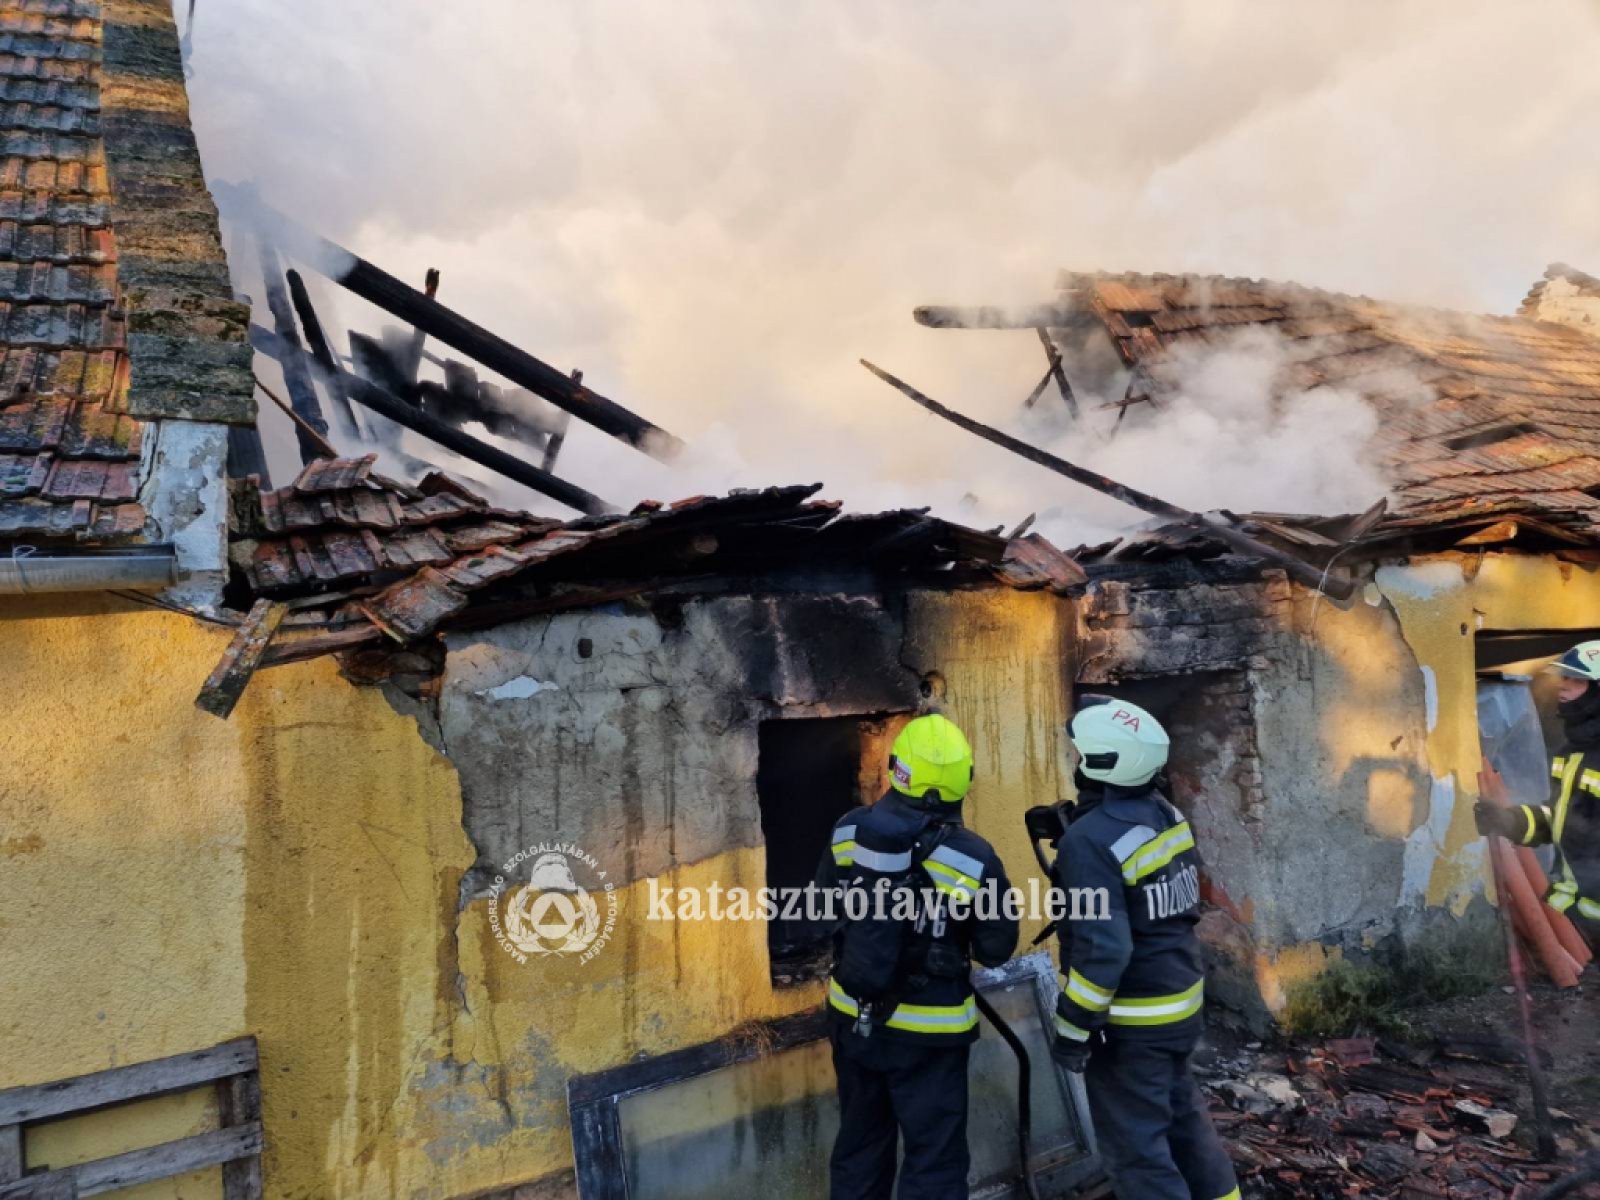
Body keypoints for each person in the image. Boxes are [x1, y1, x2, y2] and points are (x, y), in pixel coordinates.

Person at [816, 713, 1019, 1200]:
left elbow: (822, 910)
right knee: (935, 1158)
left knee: (860, 1146)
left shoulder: (848, 832)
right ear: (964, 780)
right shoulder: (974, 857)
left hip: (854, 1017)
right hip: (931, 1035)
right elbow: (996, 949)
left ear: (895, 769)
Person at [1050, 696, 1239, 1200]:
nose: (1072, 760)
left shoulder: (1089, 841)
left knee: (1138, 1156)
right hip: (1180, 1004)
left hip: (1132, 1024)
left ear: (1101, 762)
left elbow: (1102, 952)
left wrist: (1072, 1030)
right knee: (1186, 1126)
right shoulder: (1165, 812)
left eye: (1078, 752)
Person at [1476, 639, 1600, 946]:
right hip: (1585, 914)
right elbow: (1560, 818)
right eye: (1565, 676)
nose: (1563, 685)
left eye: (1576, 678)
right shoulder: (1573, 752)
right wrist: (1509, 822)